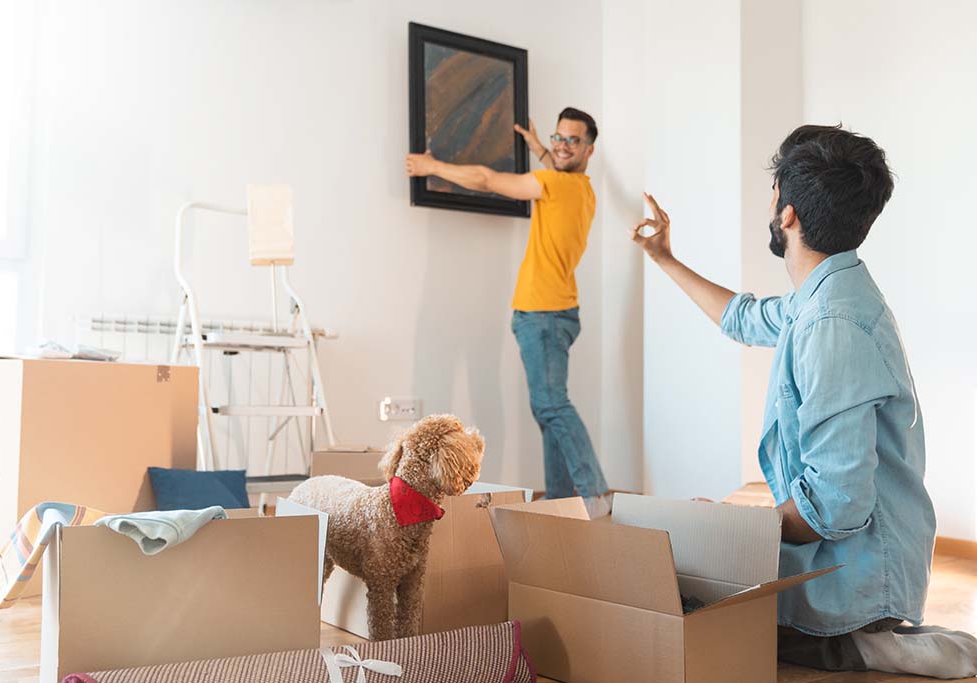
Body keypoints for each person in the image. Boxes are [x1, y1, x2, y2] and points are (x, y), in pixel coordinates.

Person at [630, 124, 977, 678]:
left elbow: (837, 504)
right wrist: (664, 258)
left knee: (695, 613)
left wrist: (734, 530)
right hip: (847, 548)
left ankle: (878, 646)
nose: (770, 202)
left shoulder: (831, 321)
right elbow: (743, 318)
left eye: (773, 192)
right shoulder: (827, 290)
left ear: (786, 213)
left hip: (859, 570)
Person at [405, 107, 611, 518]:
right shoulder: (581, 189)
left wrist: (431, 166)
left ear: (590, 150)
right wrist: (538, 146)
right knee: (548, 409)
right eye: (558, 137)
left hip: (544, 313)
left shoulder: (556, 185)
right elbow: (557, 163)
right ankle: (561, 499)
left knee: (552, 407)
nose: (562, 146)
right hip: (554, 312)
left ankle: (594, 492)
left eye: (573, 140)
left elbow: (485, 179)